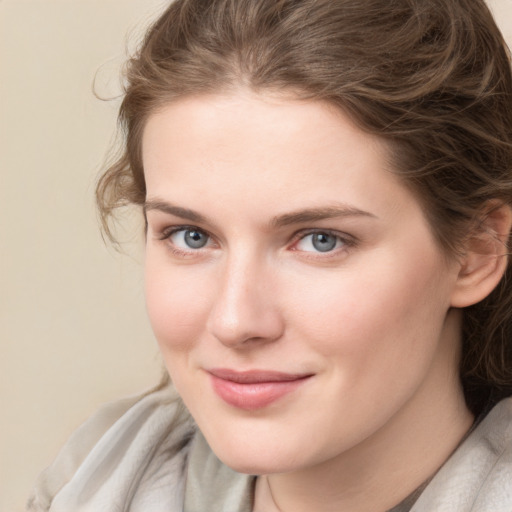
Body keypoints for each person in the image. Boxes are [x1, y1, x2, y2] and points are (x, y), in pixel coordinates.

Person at [28, 0, 512, 510]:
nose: (236, 322)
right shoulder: (90, 482)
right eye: (191, 235)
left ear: (476, 251)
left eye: (320, 240)